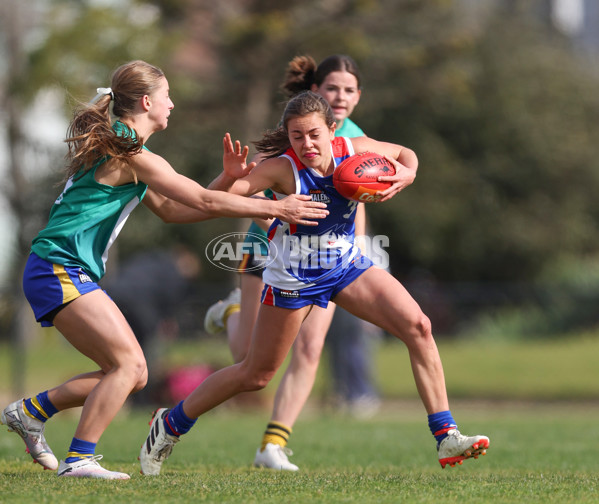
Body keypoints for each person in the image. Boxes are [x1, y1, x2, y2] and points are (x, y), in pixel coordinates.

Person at [0, 60, 327, 480]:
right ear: (148, 102)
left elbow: (177, 210)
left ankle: (32, 412)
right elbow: (203, 203)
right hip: (56, 267)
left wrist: (226, 179)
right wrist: (275, 206)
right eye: (167, 96)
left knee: (128, 375)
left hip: (57, 268)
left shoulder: (130, 150)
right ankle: (78, 458)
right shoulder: (128, 149)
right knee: (130, 367)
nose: (172, 104)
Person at [139, 90, 490, 476]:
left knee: (418, 326)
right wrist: (229, 177)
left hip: (346, 266)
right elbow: (211, 201)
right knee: (255, 374)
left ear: (331, 130)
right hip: (294, 277)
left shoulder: (353, 148)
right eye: (296, 136)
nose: (306, 144)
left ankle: (446, 436)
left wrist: (405, 175)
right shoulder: (280, 170)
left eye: (313, 134)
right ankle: (169, 424)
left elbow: (406, 154)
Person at [203, 54, 378, 471]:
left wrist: (359, 249)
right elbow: (250, 188)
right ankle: (232, 311)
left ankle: (273, 444)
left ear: (357, 97)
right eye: (332, 88)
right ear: (315, 91)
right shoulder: (299, 131)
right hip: (269, 247)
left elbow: (361, 196)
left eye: (348, 90)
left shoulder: (355, 139)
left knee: (312, 345)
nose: (340, 96)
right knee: (249, 359)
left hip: (329, 256)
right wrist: (277, 206)